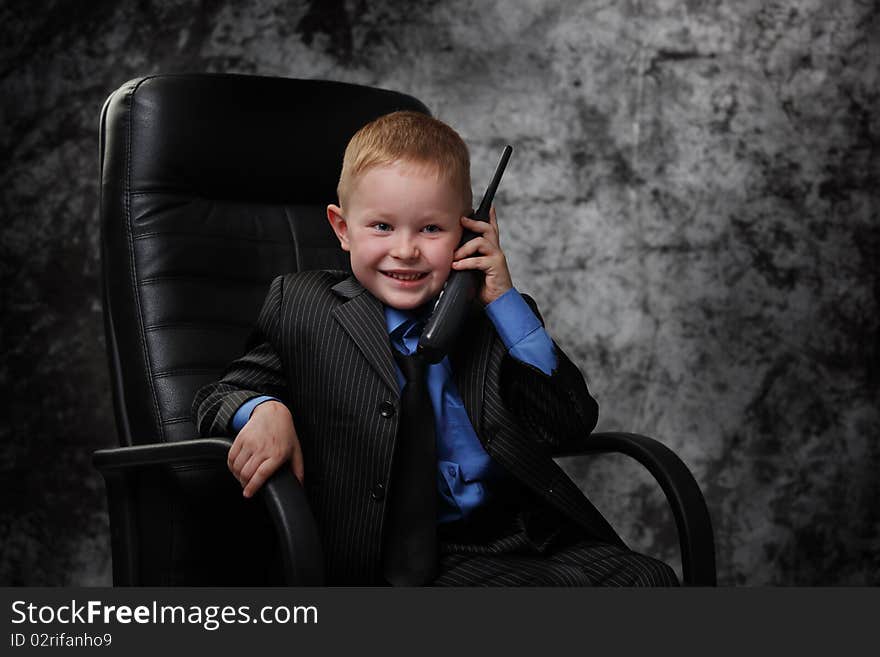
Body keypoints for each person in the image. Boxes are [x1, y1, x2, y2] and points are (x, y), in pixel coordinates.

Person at [192, 111, 678, 586]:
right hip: (395, 559)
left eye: (431, 229)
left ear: (468, 232)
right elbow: (221, 395)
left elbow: (567, 425)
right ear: (342, 229)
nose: (405, 250)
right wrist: (263, 409)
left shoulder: (495, 317)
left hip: (518, 537)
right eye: (382, 226)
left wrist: (504, 304)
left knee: (648, 579)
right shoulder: (302, 305)